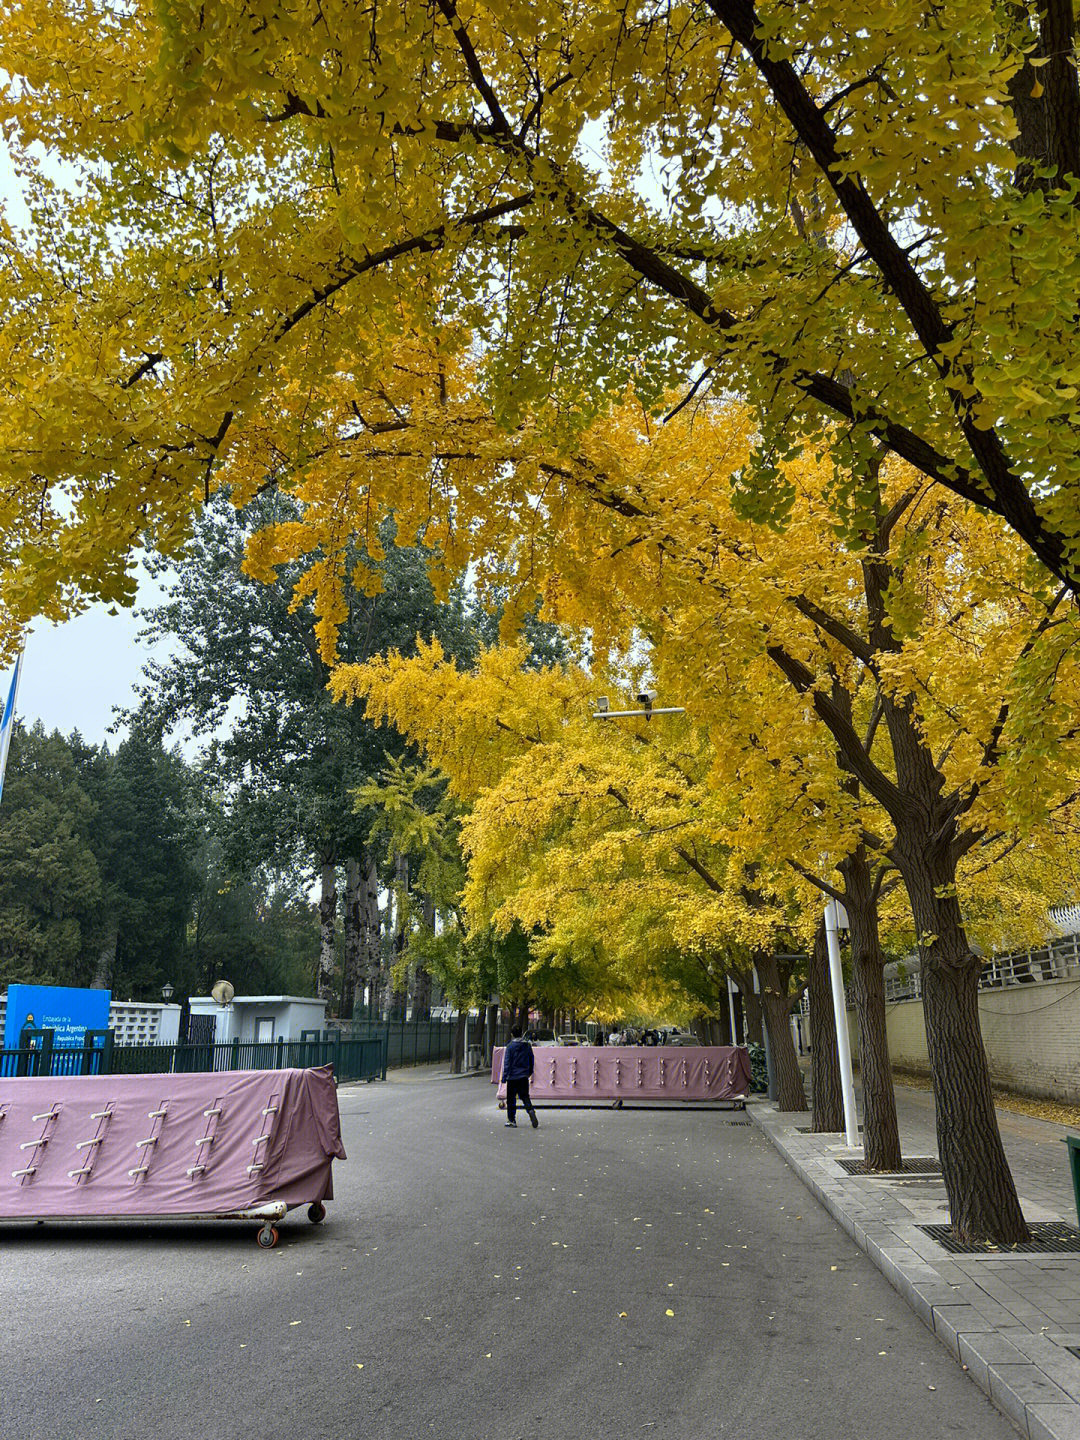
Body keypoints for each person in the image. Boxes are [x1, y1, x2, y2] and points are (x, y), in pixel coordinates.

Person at [500, 1025, 539, 1129]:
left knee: (511, 1099)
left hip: (512, 1076)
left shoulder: (510, 1046)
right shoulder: (527, 1046)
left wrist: (504, 1077)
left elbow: (507, 1062)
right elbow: (531, 1059)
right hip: (523, 1076)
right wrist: (529, 1071)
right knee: (525, 1096)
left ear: (512, 1034)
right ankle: (530, 1110)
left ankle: (512, 1120)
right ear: (521, 1033)